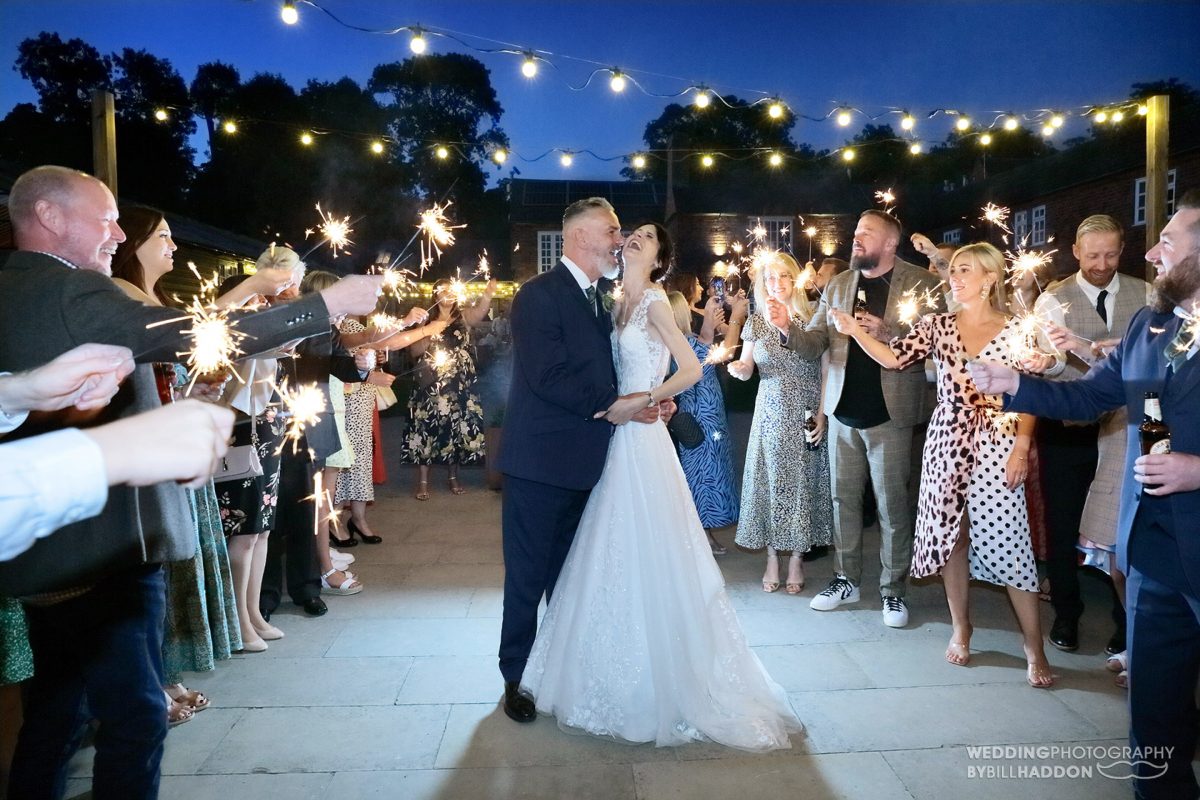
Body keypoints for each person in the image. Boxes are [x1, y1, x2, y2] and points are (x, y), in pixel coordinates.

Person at [0, 165, 381, 800]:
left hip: (44, 548)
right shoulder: (70, 290)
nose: (118, 234)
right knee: (136, 716)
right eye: (105, 219)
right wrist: (326, 306)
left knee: (56, 712)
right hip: (103, 545)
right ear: (49, 216)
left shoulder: (12, 286)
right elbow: (197, 335)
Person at [520, 222, 801, 749]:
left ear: (658, 259)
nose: (634, 238)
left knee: (648, 545)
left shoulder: (651, 301)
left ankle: (662, 679)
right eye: (634, 232)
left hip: (641, 441)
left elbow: (692, 367)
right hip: (611, 437)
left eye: (647, 238)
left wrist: (647, 398)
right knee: (607, 548)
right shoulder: (609, 300)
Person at [969, 191, 1200, 799]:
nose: (1151, 251)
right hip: (1154, 552)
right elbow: (1088, 397)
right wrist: (1014, 382)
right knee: (1156, 712)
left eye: (1169, 242)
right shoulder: (1149, 324)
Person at [829, 242, 1052, 686]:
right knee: (952, 537)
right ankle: (961, 627)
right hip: (946, 439)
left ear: (990, 277)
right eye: (954, 270)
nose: (955, 277)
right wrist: (855, 331)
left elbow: (1028, 393)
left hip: (999, 440)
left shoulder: (1014, 329)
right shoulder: (936, 325)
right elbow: (894, 358)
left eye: (965, 270)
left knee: (1012, 540)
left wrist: (1022, 446)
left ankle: (1034, 645)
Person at [497, 197, 665, 723]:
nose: (621, 239)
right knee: (528, 578)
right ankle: (516, 679)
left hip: (590, 465)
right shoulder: (537, 296)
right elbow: (548, 378)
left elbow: (615, 370)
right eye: (613, 230)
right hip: (539, 465)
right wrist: (617, 405)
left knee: (569, 581)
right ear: (579, 237)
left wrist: (645, 397)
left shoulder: (601, 298)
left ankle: (558, 670)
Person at [773, 209, 943, 627]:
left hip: (892, 412)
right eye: (856, 233)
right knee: (842, 501)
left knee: (892, 505)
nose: (857, 239)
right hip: (843, 410)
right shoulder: (839, 283)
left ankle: (893, 591)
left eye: (867, 234)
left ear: (889, 243)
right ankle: (845, 578)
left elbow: (935, 344)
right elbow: (815, 341)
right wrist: (786, 329)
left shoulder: (920, 282)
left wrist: (888, 334)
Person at [1030, 214, 1150, 655]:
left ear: (1123, 250)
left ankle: (1125, 622)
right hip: (1069, 428)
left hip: (1123, 430)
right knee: (1063, 522)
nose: (1102, 263)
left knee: (1123, 527)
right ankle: (1066, 612)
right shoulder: (1053, 298)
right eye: (1093, 254)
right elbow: (1054, 361)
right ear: (1076, 252)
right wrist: (1050, 364)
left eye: (1112, 254)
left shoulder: (1147, 292)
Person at [729, 252, 832, 594]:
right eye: (770, 279)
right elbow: (747, 367)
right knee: (772, 483)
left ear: (795, 281)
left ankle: (797, 559)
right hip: (770, 410)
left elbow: (826, 369)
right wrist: (739, 370)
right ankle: (773, 556)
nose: (777, 284)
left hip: (804, 407)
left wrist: (822, 412)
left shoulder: (814, 317)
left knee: (802, 483)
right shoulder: (757, 322)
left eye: (784, 277)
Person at [400, 277, 496, 500]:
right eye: (443, 290)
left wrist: (488, 293)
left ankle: (453, 477)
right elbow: (414, 352)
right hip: (431, 385)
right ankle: (423, 482)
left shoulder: (462, 316)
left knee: (456, 428)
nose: (448, 293)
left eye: (452, 290)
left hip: (459, 384)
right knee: (425, 429)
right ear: (435, 295)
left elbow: (480, 312)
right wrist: (428, 332)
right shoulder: (425, 319)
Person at [666, 290, 741, 554]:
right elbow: (725, 352)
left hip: (709, 412)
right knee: (703, 473)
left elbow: (709, 341)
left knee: (711, 469)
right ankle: (701, 536)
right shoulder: (681, 343)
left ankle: (704, 533)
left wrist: (710, 319)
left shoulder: (688, 340)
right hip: (700, 415)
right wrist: (735, 320)